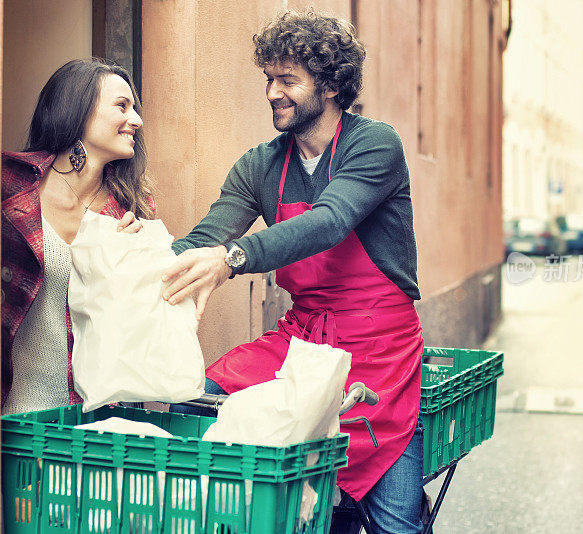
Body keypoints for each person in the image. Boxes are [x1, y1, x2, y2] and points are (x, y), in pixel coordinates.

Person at [163, 11, 425, 533]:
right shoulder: (259, 165)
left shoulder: (374, 144)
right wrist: (136, 250)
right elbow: (203, 241)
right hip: (300, 345)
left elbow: (330, 222)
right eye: (269, 79)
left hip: (379, 356)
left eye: (288, 80)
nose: (271, 93)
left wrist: (233, 259)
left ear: (329, 85)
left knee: (396, 523)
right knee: (203, 399)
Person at [1, 59, 153, 415]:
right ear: (80, 112)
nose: (137, 120)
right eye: (122, 106)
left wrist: (141, 259)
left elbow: (142, 328)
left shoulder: (133, 207)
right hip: (14, 417)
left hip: (96, 422)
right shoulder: (10, 186)